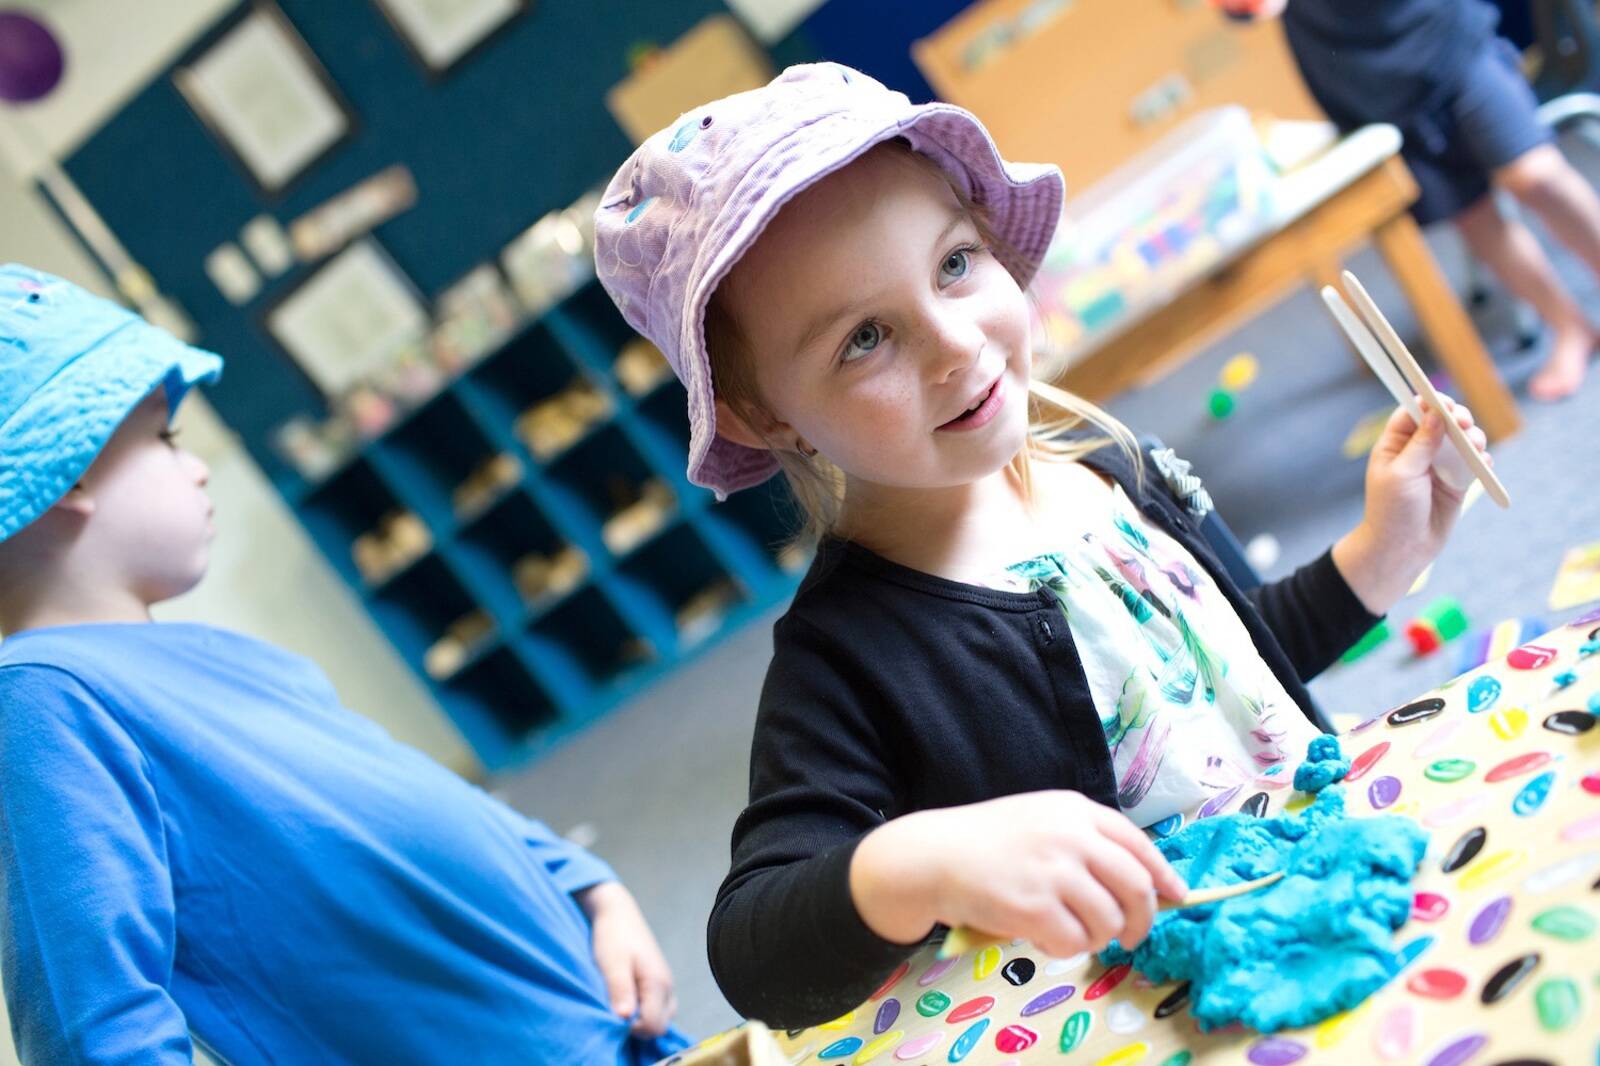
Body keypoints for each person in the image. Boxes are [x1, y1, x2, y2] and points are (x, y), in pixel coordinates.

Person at [591, 64, 1493, 1026]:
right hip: (1168, 1019)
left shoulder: (1109, 464)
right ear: (766, 415)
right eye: (864, 338)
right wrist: (925, 861)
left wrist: (1380, 553)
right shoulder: (847, 654)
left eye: (952, 265)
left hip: (1335, 899)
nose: (955, 345)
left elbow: (1232, 672)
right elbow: (753, 952)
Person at [0, 263, 689, 1064]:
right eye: (163, 435)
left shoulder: (216, 661)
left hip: (608, 1024)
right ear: (67, 469)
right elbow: (97, 1028)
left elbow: (421, 797)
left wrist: (588, 884)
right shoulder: (45, 702)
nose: (196, 465)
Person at [1228, 0, 1600, 400]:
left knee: (1534, 175)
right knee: (1472, 216)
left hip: (1439, 35)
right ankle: (1568, 327)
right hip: (1362, 80)